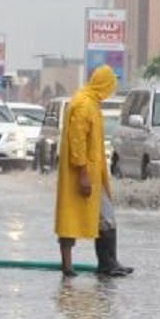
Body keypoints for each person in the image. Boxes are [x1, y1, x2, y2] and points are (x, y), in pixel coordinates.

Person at [54, 65, 134, 278]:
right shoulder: (84, 105)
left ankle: (105, 263)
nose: (112, 90)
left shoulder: (90, 102)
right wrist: (83, 174)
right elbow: (77, 142)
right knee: (98, 217)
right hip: (83, 174)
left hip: (92, 173)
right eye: (111, 85)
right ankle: (104, 264)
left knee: (94, 216)